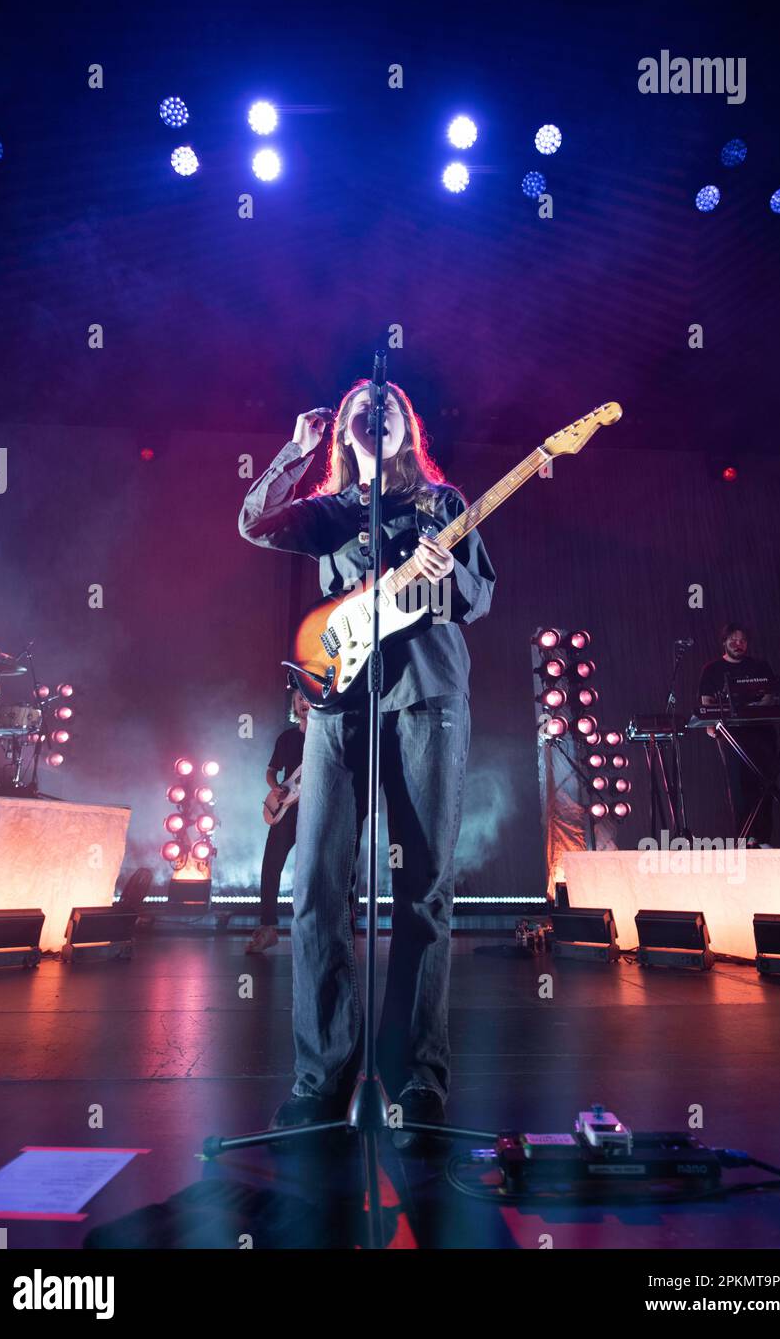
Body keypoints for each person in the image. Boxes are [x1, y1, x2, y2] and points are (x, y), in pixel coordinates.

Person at [238, 378, 495, 1149]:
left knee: (423, 893)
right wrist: (295, 448)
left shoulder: (444, 506)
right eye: (358, 410)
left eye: (386, 408)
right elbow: (255, 525)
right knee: (317, 888)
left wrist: (441, 573)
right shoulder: (329, 514)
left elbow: (479, 593)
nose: (372, 414)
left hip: (427, 697)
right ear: (344, 432)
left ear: (405, 427)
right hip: (337, 705)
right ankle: (322, 1078)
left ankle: (417, 1076)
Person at [698, 623, 776, 847]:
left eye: (742, 640)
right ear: (724, 642)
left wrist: (753, 712)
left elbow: (769, 696)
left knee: (765, 783)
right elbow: (707, 702)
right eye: (733, 640)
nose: (738, 644)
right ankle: (746, 837)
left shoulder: (760, 666)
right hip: (731, 732)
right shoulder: (712, 670)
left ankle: (764, 838)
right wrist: (712, 724)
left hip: (760, 731)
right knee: (739, 785)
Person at [246, 687, 309, 954]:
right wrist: (275, 788)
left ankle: (314, 930)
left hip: (316, 808)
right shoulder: (286, 739)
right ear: (294, 706)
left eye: (308, 698)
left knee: (313, 871)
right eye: (299, 699)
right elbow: (271, 771)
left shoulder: (326, 739)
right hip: (287, 808)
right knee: (271, 865)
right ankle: (268, 928)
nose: (304, 702)